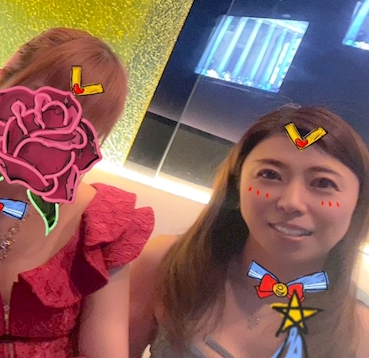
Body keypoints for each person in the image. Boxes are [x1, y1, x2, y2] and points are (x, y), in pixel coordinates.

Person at [0, 27, 155, 358]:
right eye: (41, 104)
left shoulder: (102, 224)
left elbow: (104, 348)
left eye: (79, 128)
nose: (49, 134)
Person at [129, 106, 369, 358]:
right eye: (270, 174)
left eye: (323, 183)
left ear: (359, 201)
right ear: (236, 184)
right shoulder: (168, 266)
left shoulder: (361, 331)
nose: (291, 202)